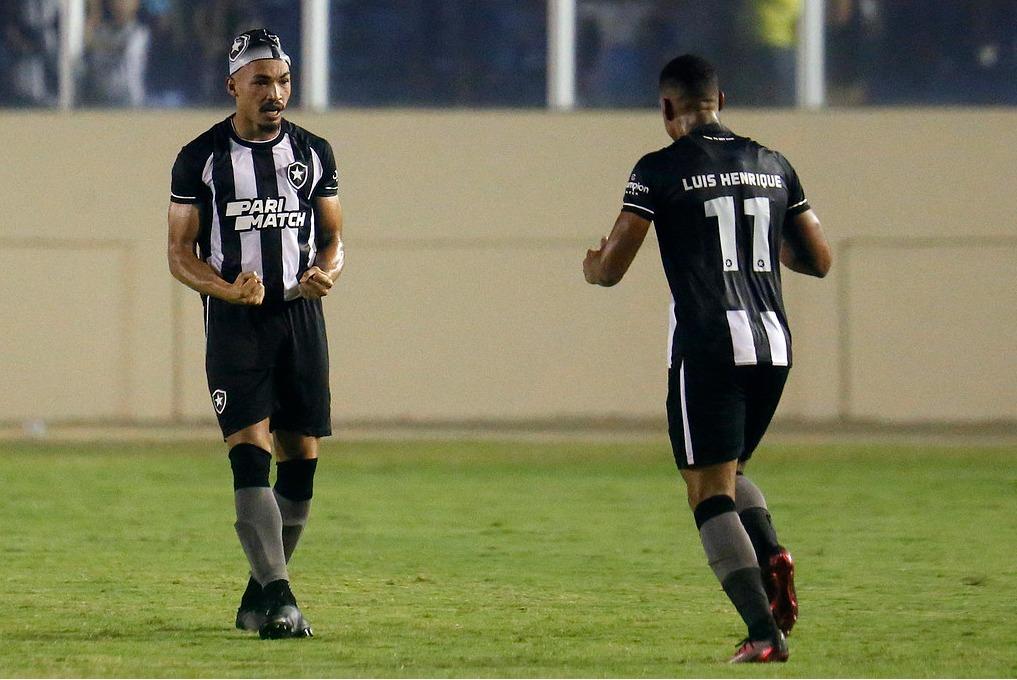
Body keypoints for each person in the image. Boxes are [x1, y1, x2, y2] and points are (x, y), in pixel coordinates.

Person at [582, 54, 830, 663]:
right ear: (722, 100)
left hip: (709, 345)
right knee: (729, 471)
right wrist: (758, 241)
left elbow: (612, 268)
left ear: (667, 107)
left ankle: (763, 633)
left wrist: (591, 265)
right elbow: (818, 259)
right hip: (773, 344)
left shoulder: (658, 168)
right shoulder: (774, 163)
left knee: (706, 491)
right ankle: (770, 554)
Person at [166, 28, 344, 640]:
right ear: (233, 86)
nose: (276, 93)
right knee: (249, 452)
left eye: (284, 80)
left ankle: (258, 595)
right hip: (236, 322)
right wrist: (225, 289)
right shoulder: (200, 157)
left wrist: (326, 272)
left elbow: (333, 239)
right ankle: (283, 598)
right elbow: (179, 253)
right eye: (262, 81)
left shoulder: (314, 153)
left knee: (301, 461)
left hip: (299, 318)